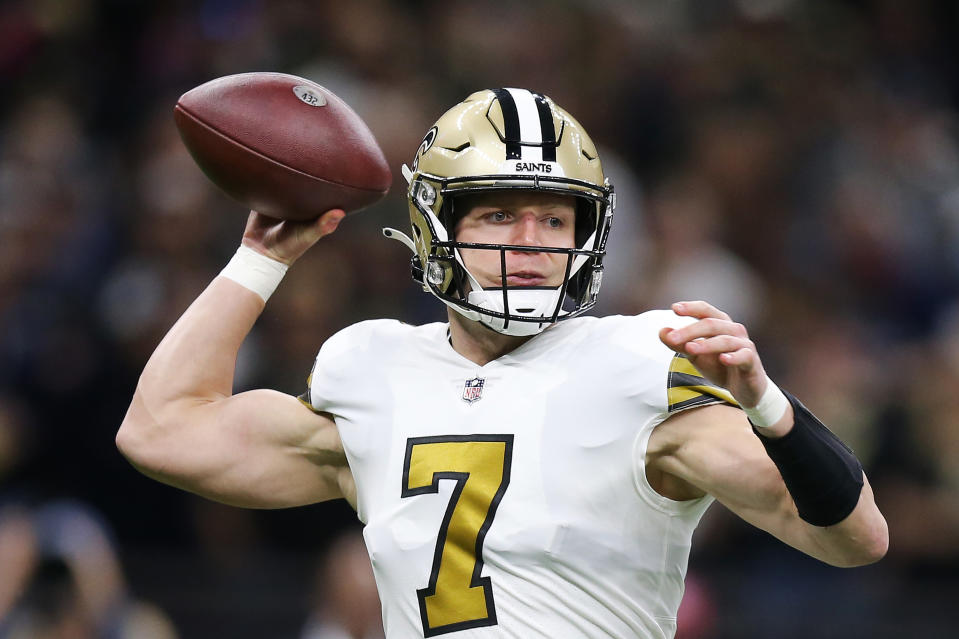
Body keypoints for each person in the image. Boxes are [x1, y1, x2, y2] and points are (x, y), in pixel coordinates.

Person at [116, 88, 888, 638]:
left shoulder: (641, 361)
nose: (530, 239)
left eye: (555, 217)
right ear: (433, 226)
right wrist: (259, 260)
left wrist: (769, 407)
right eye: (498, 212)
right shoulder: (371, 366)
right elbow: (161, 433)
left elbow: (853, 539)